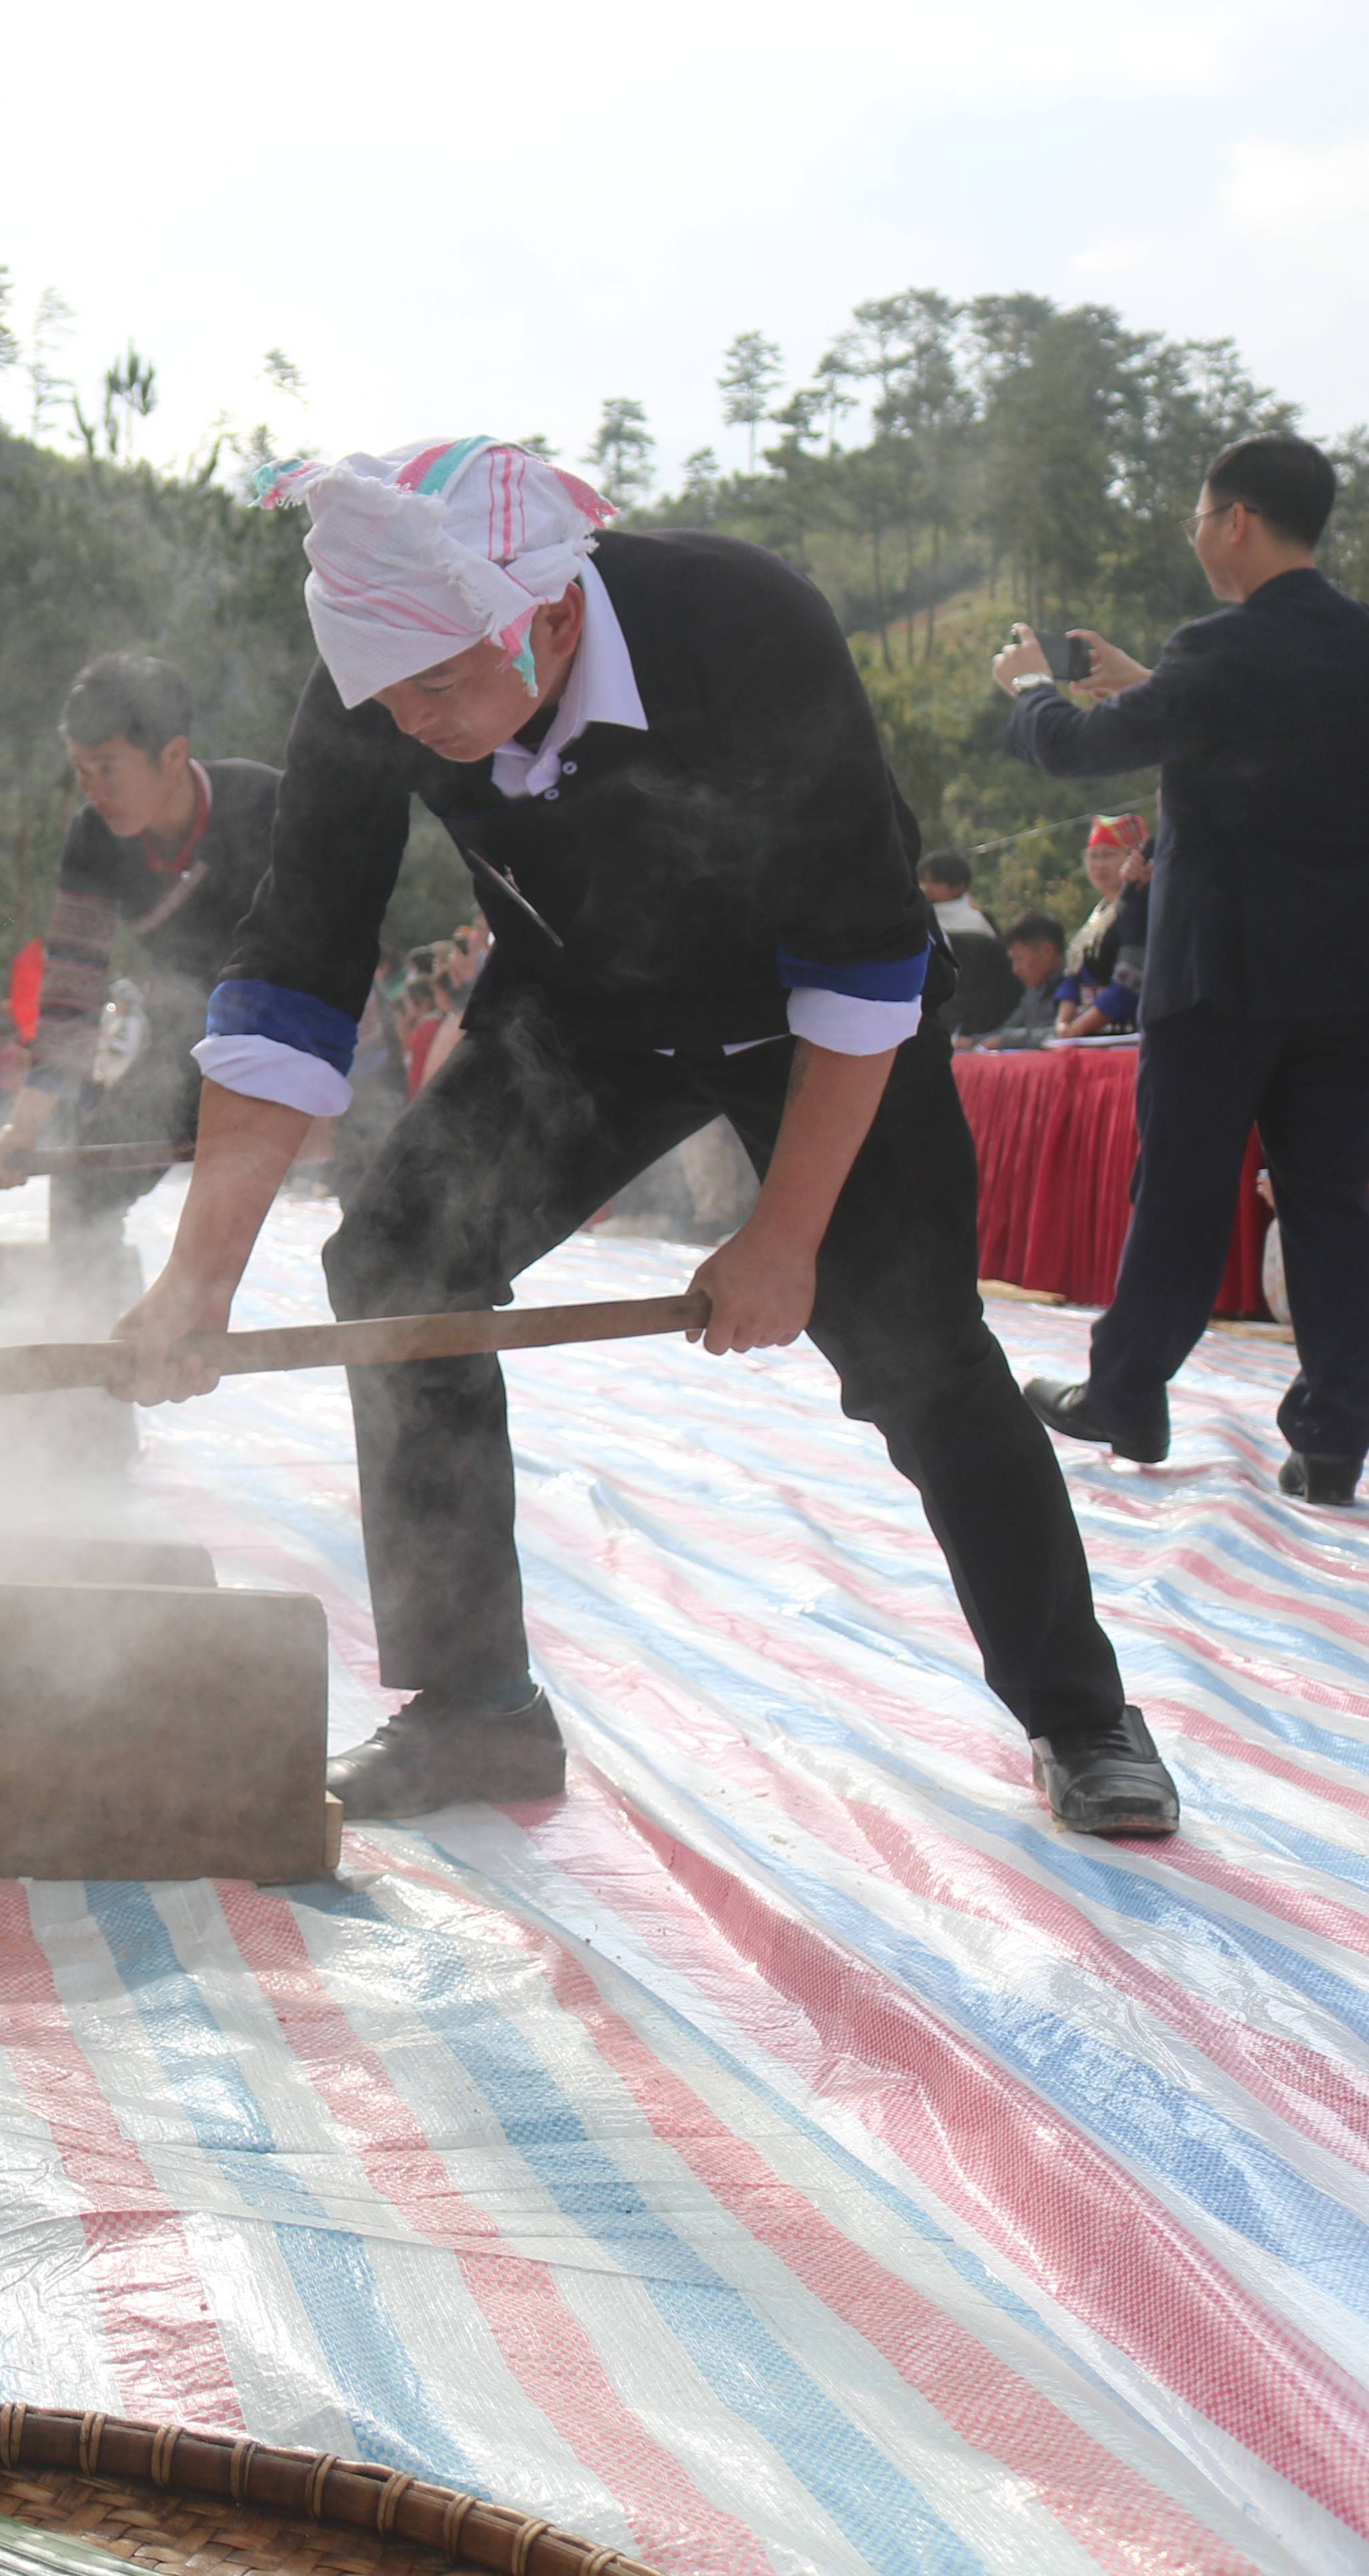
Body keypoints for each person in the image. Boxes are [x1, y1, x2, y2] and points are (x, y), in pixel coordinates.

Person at [119, 434, 1171, 1838]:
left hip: (817, 1017)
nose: (416, 717)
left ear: (550, 615)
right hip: (589, 1009)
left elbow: (862, 962)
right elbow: (298, 970)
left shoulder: (743, 625)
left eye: (444, 681)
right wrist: (199, 1276)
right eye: (389, 687)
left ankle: (1080, 1709)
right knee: (396, 1267)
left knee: (918, 1349)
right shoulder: (377, 686)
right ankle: (476, 1704)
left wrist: (783, 1236)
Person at [992, 432, 1369, 1508]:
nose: (1197, 537)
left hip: (1228, 968)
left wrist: (1032, 687)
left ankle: (1129, 1394)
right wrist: (1159, 685)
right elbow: (1287, 746)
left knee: (1185, 1186)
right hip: (1351, 965)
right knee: (1327, 1195)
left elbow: (1073, 750)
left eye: (1199, 517)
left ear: (1235, 519)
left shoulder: (1221, 649)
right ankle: (1334, 1439)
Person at [0, 655, 283, 1287]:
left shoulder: (265, 802)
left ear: (173, 756)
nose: (94, 789)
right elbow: (71, 996)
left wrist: (331, 1094)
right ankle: (94, 1368)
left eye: (109, 769)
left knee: (379, 1205)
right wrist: (24, 1127)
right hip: (192, 1044)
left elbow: (339, 941)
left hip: (303, 1030)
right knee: (81, 1187)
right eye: (81, 771)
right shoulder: (94, 841)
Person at [1055, 815, 1152, 1034]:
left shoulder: (1142, 910)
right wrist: (1063, 1023)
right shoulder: (1098, 915)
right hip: (1087, 1031)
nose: (1099, 865)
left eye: (1109, 855)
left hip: (1127, 1029)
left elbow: (1132, 977)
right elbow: (1074, 974)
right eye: (1093, 856)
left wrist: (1078, 1028)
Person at [925, 849, 1019, 1036]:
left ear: (958, 886)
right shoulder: (925, 915)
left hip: (977, 1014)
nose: (925, 887)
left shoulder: (977, 920)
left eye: (934, 882)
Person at [969, 912, 1070, 1049]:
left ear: (1047, 951)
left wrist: (1005, 1042)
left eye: (1020, 959)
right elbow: (1006, 1030)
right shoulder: (1034, 991)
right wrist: (971, 1042)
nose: (1015, 969)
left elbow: (1063, 1033)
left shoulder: (1075, 985)